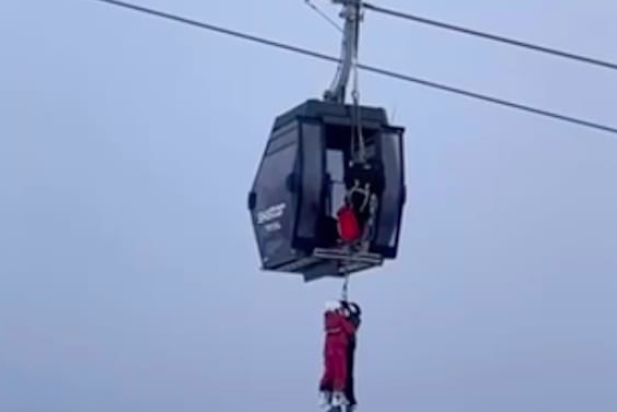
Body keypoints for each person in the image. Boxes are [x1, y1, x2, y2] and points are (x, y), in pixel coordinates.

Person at [319, 301, 358, 408]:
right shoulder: (339, 318)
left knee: (329, 371)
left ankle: (325, 394)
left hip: (329, 350)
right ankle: (338, 395)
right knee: (341, 371)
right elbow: (351, 330)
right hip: (340, 349)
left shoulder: (328, 321)